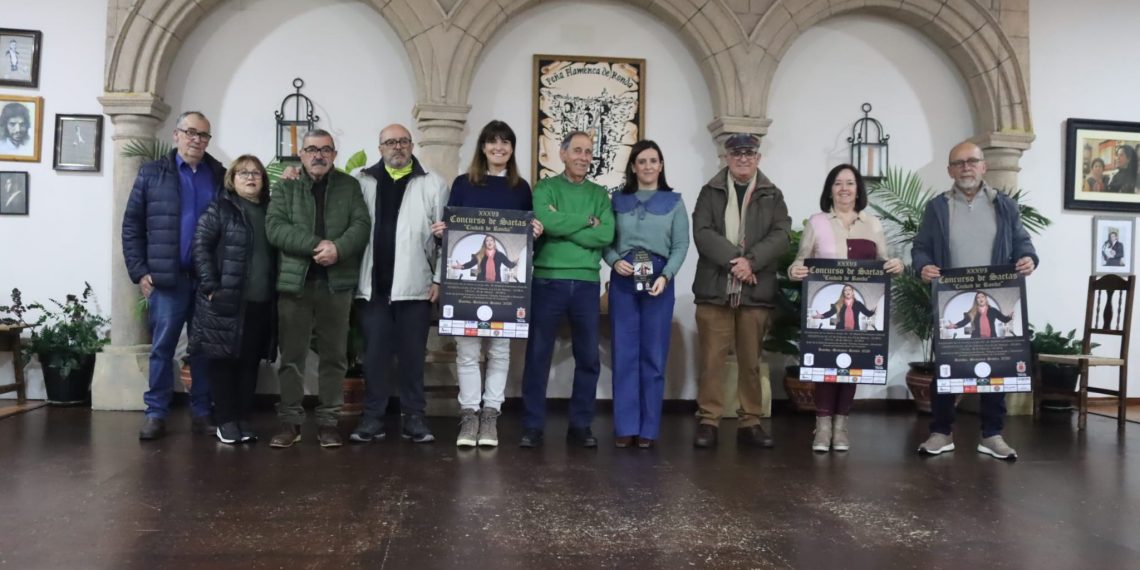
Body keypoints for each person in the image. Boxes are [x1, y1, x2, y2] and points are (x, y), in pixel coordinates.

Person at [912, 141, 1038, 460]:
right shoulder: (937, 207)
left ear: (984, 166)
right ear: (950, 170)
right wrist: (922, 266)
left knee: (996, 368)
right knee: (947, 367)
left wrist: (1028, 258)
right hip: (951, 300)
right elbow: (921, 247)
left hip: (995, 296)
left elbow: (1023, 243)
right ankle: (941, 433)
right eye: (959, 163)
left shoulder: (1004, 205)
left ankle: (992, 435)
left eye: (972, 161)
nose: (966, 167)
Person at [431, 119, 540, 448]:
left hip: (507, 291)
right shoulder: (464, 184)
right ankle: (469, 415)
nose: (499, 147)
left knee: (500, 352)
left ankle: (491, 415)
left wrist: (534, 234)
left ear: (512, 149)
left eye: (506, 142)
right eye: (493, 142)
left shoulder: (521, 188)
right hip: (468, 288)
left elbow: (524, 246)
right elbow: (453, 237)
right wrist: (443, 234)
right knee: (467, 352)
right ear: (482, 147)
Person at [122, 111, 225, 440]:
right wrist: (139, 271)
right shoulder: (152, 173)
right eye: (191, 132)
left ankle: (202, 411)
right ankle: (156, 413)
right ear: (176, 135)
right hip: (167, 280)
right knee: (162, 349)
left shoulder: (219, 174)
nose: (197, 140)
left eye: (204, 135)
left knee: (203, 350)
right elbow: (131, 226)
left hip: (206, 280)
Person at [266, 129, 370, 448]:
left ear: (334, 155)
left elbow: (361, 225)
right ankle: (290, 423)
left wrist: (337, 249)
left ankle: (328, 423)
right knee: (292, 357)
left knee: (335, 357)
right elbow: (274, 228)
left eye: (325, 150)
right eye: (311, 149)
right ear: (301, 155)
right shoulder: (286, 186)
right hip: (295, 285)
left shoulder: (349, 187)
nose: (318, 155)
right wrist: (316, 245)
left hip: (336, 286)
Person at [789, 164, 903, 452]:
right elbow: (800, 261)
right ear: (830, 189)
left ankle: (840, 428)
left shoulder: (872, 224)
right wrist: (795, 270)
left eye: (850, 183)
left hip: (859, 312)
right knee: (826, 369)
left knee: (851, 368)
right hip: (829, 308)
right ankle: (822, 426)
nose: (844, 189)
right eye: (838, 183)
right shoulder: (816, 223)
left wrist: (896, 265)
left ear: (858, 190)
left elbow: (884, 262)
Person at [348, 124, 448, 445]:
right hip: (373, 288)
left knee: (412, 357)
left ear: (411, 145)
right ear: (380, 148)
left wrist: (438, 279)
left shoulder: (432, 183)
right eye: (391, 142)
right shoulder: (361, 181)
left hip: (415, 287)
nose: (398, 147)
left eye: (403, 141)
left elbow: (447, 237)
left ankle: (415, 418)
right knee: (374, 358)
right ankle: (373, 418)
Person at [691, 133, 791, 449]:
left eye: (749, 154)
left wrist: (751, 262)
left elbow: (781, 234)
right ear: (727, 158)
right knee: (711, 360)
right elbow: (702, 232)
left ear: (758, 158)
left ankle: (751, 421)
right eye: (737, 154)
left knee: (751, 360)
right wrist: (736, 262)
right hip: (715, 288)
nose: (743, 159)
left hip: (755, 290)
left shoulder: (772, 194)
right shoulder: (710, 191)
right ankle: (709, 420)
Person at [519, 130, 615, 448]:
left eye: (588, 152)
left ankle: (580, 425)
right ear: (562, 154)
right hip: (548, 281)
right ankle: (532, 426)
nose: (583, 157)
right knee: (538, 355)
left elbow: (605, 236)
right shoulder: (545, 188)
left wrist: (565, 224)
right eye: (577, 150)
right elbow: (546, 220)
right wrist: (587, 222)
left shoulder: (601, 195)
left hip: (587, 283)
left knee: (587, 357)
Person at [602, 139, 688, 449]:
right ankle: (626, 426)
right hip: (624, 280)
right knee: (624, 354)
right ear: (634, 167)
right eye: (642, 161)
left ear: (661, 165)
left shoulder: (675, 202)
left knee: (653, 354)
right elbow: (605, 240)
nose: (648, 166)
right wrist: (613, 261)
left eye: (654, 160)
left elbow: (680, 245)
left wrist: (666, 276)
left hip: (658, 282)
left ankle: (648, 429)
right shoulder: (616, 200)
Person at [189, 155, 276, 444]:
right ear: (232, 179)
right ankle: (225, 421)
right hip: (225, 302)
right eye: (243, 173)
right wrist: (212, 287)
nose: (250, 178)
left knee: (250, 363)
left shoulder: (271, 211)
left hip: (260, 303)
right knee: (223, 363)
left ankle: (243, 418)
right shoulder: (220, 208)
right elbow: (200, 247)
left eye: (256, 174)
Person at [945, 291, 1014, 338]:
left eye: (982, 297)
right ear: (976, 300)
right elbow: (963, 322)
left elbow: (1004, 319)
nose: (980, 299)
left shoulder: (993, 310)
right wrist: (954, 326)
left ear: (986, 298)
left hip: (991, 340)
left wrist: (1010, 316)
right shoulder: (972, 312)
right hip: (977, 340)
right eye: (978, 297)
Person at [451, 235, 518, 282]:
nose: (489, 242)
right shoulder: (480, 254)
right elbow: (470, 264)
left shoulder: (500, 255)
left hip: (496, 285)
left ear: (494, 243)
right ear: (485, 243)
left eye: (491, 240)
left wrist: (516, 262)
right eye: (487, 241)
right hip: (481, 284)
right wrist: (462, 266)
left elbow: (509, 265)